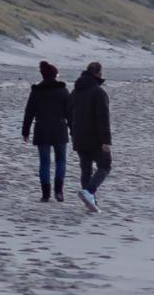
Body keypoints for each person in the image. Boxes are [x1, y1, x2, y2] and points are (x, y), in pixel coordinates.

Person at [21, 61, 72, 203]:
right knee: (61, 160)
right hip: (59, 128)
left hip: (41, 128)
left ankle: (45, 194)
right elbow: (69, 113)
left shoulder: (36, 91)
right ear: (55, 75)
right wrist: (73, 129)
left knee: (44, 162)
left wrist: (25, 131)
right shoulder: (63, 91)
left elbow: (29, 112)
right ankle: (59, 192)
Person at [69, 62, 112, 213]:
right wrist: (106, 140)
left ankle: (91, 201)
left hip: (78, 136)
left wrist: (72, 132)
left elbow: (68, 113)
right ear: (98, 74)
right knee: (105, 165)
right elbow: (103, 118)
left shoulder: (75, 92)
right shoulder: (98, 92)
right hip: (95, 137)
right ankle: (89, 192)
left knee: (85, 169)